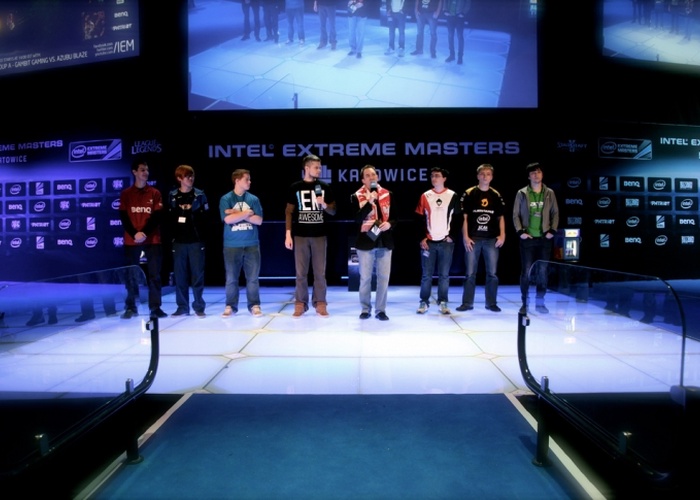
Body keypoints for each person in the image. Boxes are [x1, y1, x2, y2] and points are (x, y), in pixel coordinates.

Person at [285, 154, 337, 317]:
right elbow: (289, 212)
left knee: (320, 272)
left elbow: (333, 211)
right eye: (316, 167)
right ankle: (300, 303)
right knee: (301, 272)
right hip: (300, 235)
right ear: (306, 168)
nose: (319, 170)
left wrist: (324, 204)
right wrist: (288, 234)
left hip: (319, 235)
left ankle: (320, 302)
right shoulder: (295, 187)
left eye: (320, 167)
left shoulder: (324, 187)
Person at [119, 159, 166, 319]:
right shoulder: (126, 194)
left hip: (152, 240)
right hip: (131, 241)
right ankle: (131, 307)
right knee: (131, 275)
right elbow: (124, 217)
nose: (146, 173)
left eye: (147, 170)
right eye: (142, 170)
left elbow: (157, 216)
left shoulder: (155, 193)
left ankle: (155, 308)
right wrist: (135, 234)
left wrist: (144, 233)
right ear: (134, 172)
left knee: (154, 275)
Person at [457, 164, 506, 313]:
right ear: (478, 176)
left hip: (491, 239)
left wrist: (502, 234)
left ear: (492, 177)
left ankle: (491, 303)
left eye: (488, 174)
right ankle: (467, 303)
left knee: (492, 274)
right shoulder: (469, 193)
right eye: (482, 174)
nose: (485, 176)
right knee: (470, 273)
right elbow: (464, 217)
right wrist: (465, 237)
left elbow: (500, 217)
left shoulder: (496, 194)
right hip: (473, 238)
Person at [350, 165, 396, 321]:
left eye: (374, 174)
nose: (372, 177)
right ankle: (365, 309)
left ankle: (380, 310)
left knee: (383, 278)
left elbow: (395, 217)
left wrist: (390, 224)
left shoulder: (388, 194)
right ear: (363, 180)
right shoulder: (356, 196)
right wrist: (370, 202)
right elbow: (356, 220)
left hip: (384, 241)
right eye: (368, 175)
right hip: (366, 242)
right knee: (365, 278)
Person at [513, 162, 559, 315]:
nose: (536, 175)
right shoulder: (522, 193)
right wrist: (520, 232)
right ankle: (524, 303)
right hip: (528, 238)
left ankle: (540, 303)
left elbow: (555, 213)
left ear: (542, 174)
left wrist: (552, 230)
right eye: (533, 173)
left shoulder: (549, 193)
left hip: (544, 238)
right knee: (526, 271)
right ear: (528, 176)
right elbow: (515, 214)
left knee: (542, 271)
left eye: (538, 172)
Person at [415, 167, 460, 315]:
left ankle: (443, 302)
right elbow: (419, 218)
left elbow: (458, 218)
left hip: (446, 242)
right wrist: (422, 237)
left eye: (437, 176)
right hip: (429, 242)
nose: (434, 178)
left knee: (444, 275)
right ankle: (424, 301)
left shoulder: (452, 195)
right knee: (426, 275)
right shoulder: (425, 196)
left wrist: (452, 236)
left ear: (444, 178)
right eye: (432, 176)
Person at [220, 169, 264, 317]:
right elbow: (228, 220)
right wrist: (247, 213)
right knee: (231, 278)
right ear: (237, 181)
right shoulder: (226, 199)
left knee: (252, 278)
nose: (250, 182)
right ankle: (230, 306)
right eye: (247, 179)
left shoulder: (253, 199)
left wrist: (235, 213)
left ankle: (254, 305)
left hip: (251, 244)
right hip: (232, 245)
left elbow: (259, 220)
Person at [168, 164, 210, 317]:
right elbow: (169, 218)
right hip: (178, 242)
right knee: (180, 276)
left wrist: (192, 211)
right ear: (179, 178)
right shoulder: (172, 195)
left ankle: (199, 307)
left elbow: (206, 217)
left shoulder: (200, 195)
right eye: (187, 176)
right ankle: (182, 307)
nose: (191, 179)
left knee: (197, 275)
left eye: (192, 176)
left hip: (196, 241)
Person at [443, 0, 470, 64]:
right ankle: (452, 55)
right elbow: (445, 1)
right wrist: (445, 10)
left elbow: (468, 2)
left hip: (459, 16)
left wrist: (463, 12)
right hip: (450, 15)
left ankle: (460, 57)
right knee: (450, 36)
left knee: (460, 36)